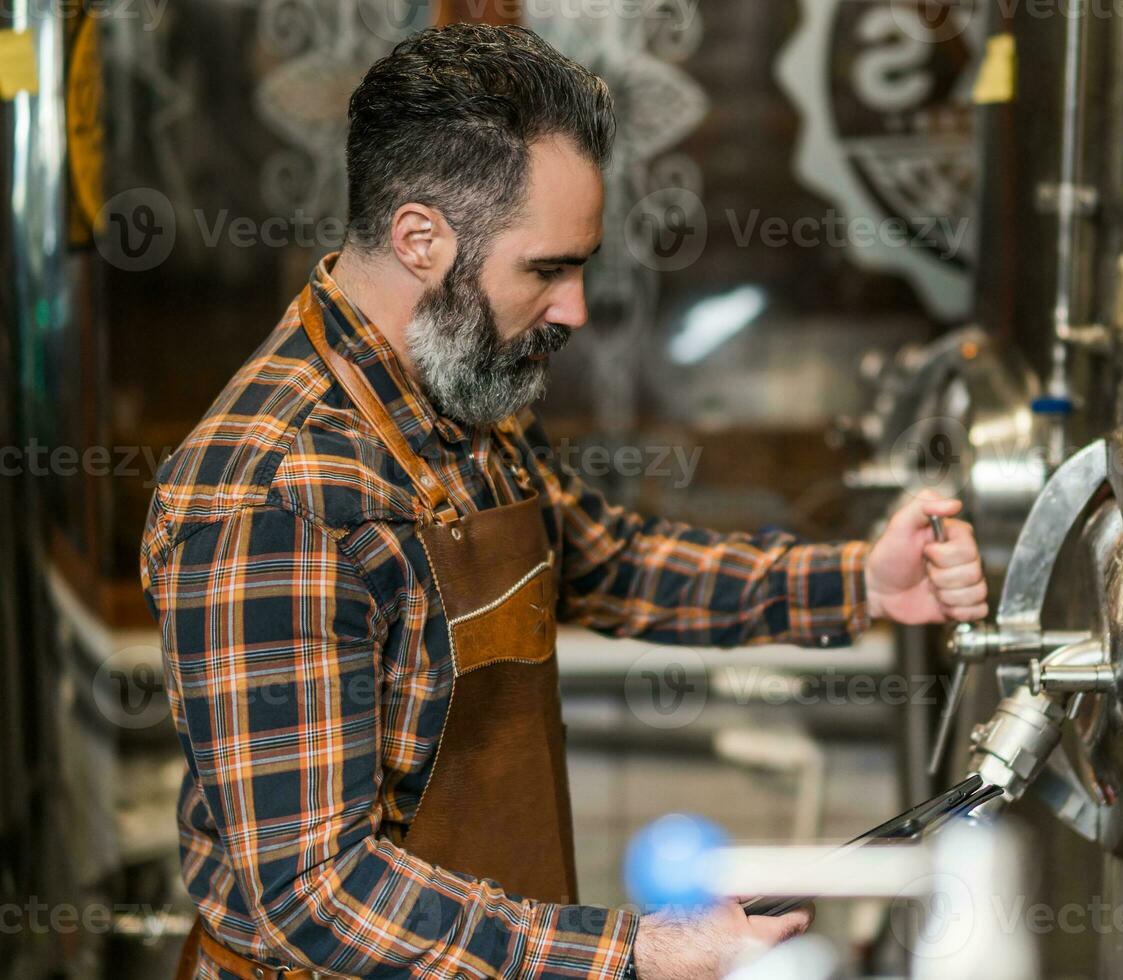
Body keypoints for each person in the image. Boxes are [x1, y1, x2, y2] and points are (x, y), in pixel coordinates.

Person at [141, 23, 988, 980]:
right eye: (547, 269)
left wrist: (857, 584)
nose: (574, 309)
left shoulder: (456, 385)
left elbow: (597, 558)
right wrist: (634, 952)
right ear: (420, 237)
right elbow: (317, 895)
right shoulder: (274, 495)